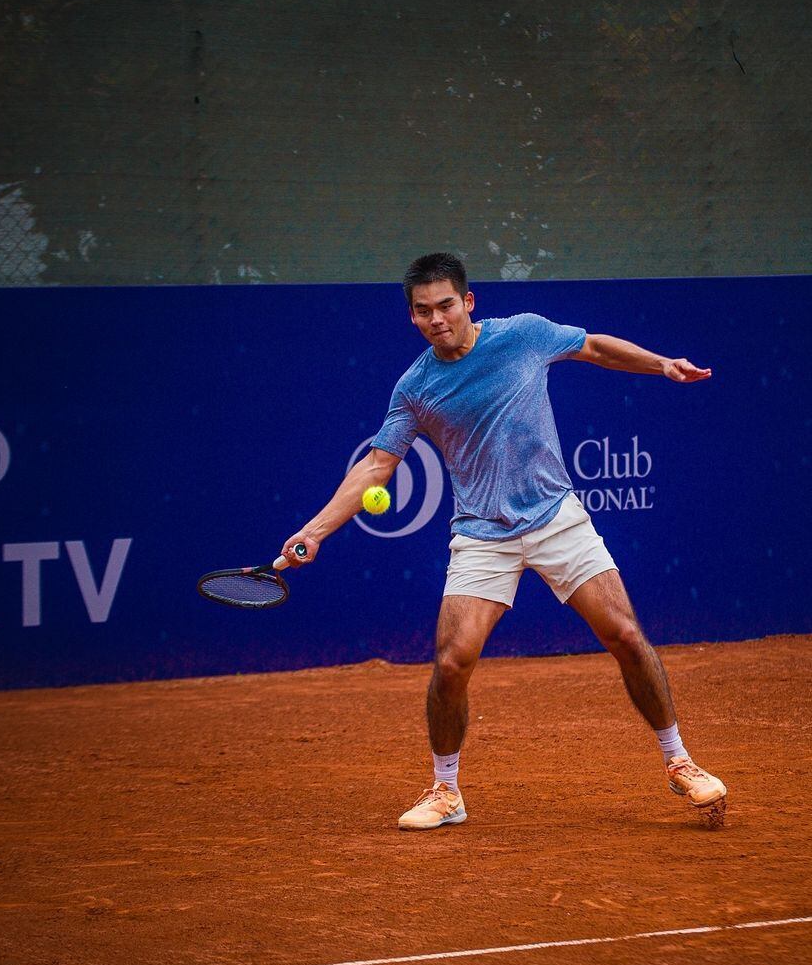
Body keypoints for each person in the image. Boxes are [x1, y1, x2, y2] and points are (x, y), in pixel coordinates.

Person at [281, 252, 727, 830]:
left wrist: (661, 364)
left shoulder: (523, 336)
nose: (436, 319)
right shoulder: (415, 387)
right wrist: (314, 532)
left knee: (623, 633)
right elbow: (376, 465)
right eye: (423, 311)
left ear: (468, 302)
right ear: (412, 318)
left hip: (556, 518)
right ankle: (446, 792)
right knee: (452, 661)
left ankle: (680, 762)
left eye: (445, 305)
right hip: (482, 534)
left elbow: (592, 346)